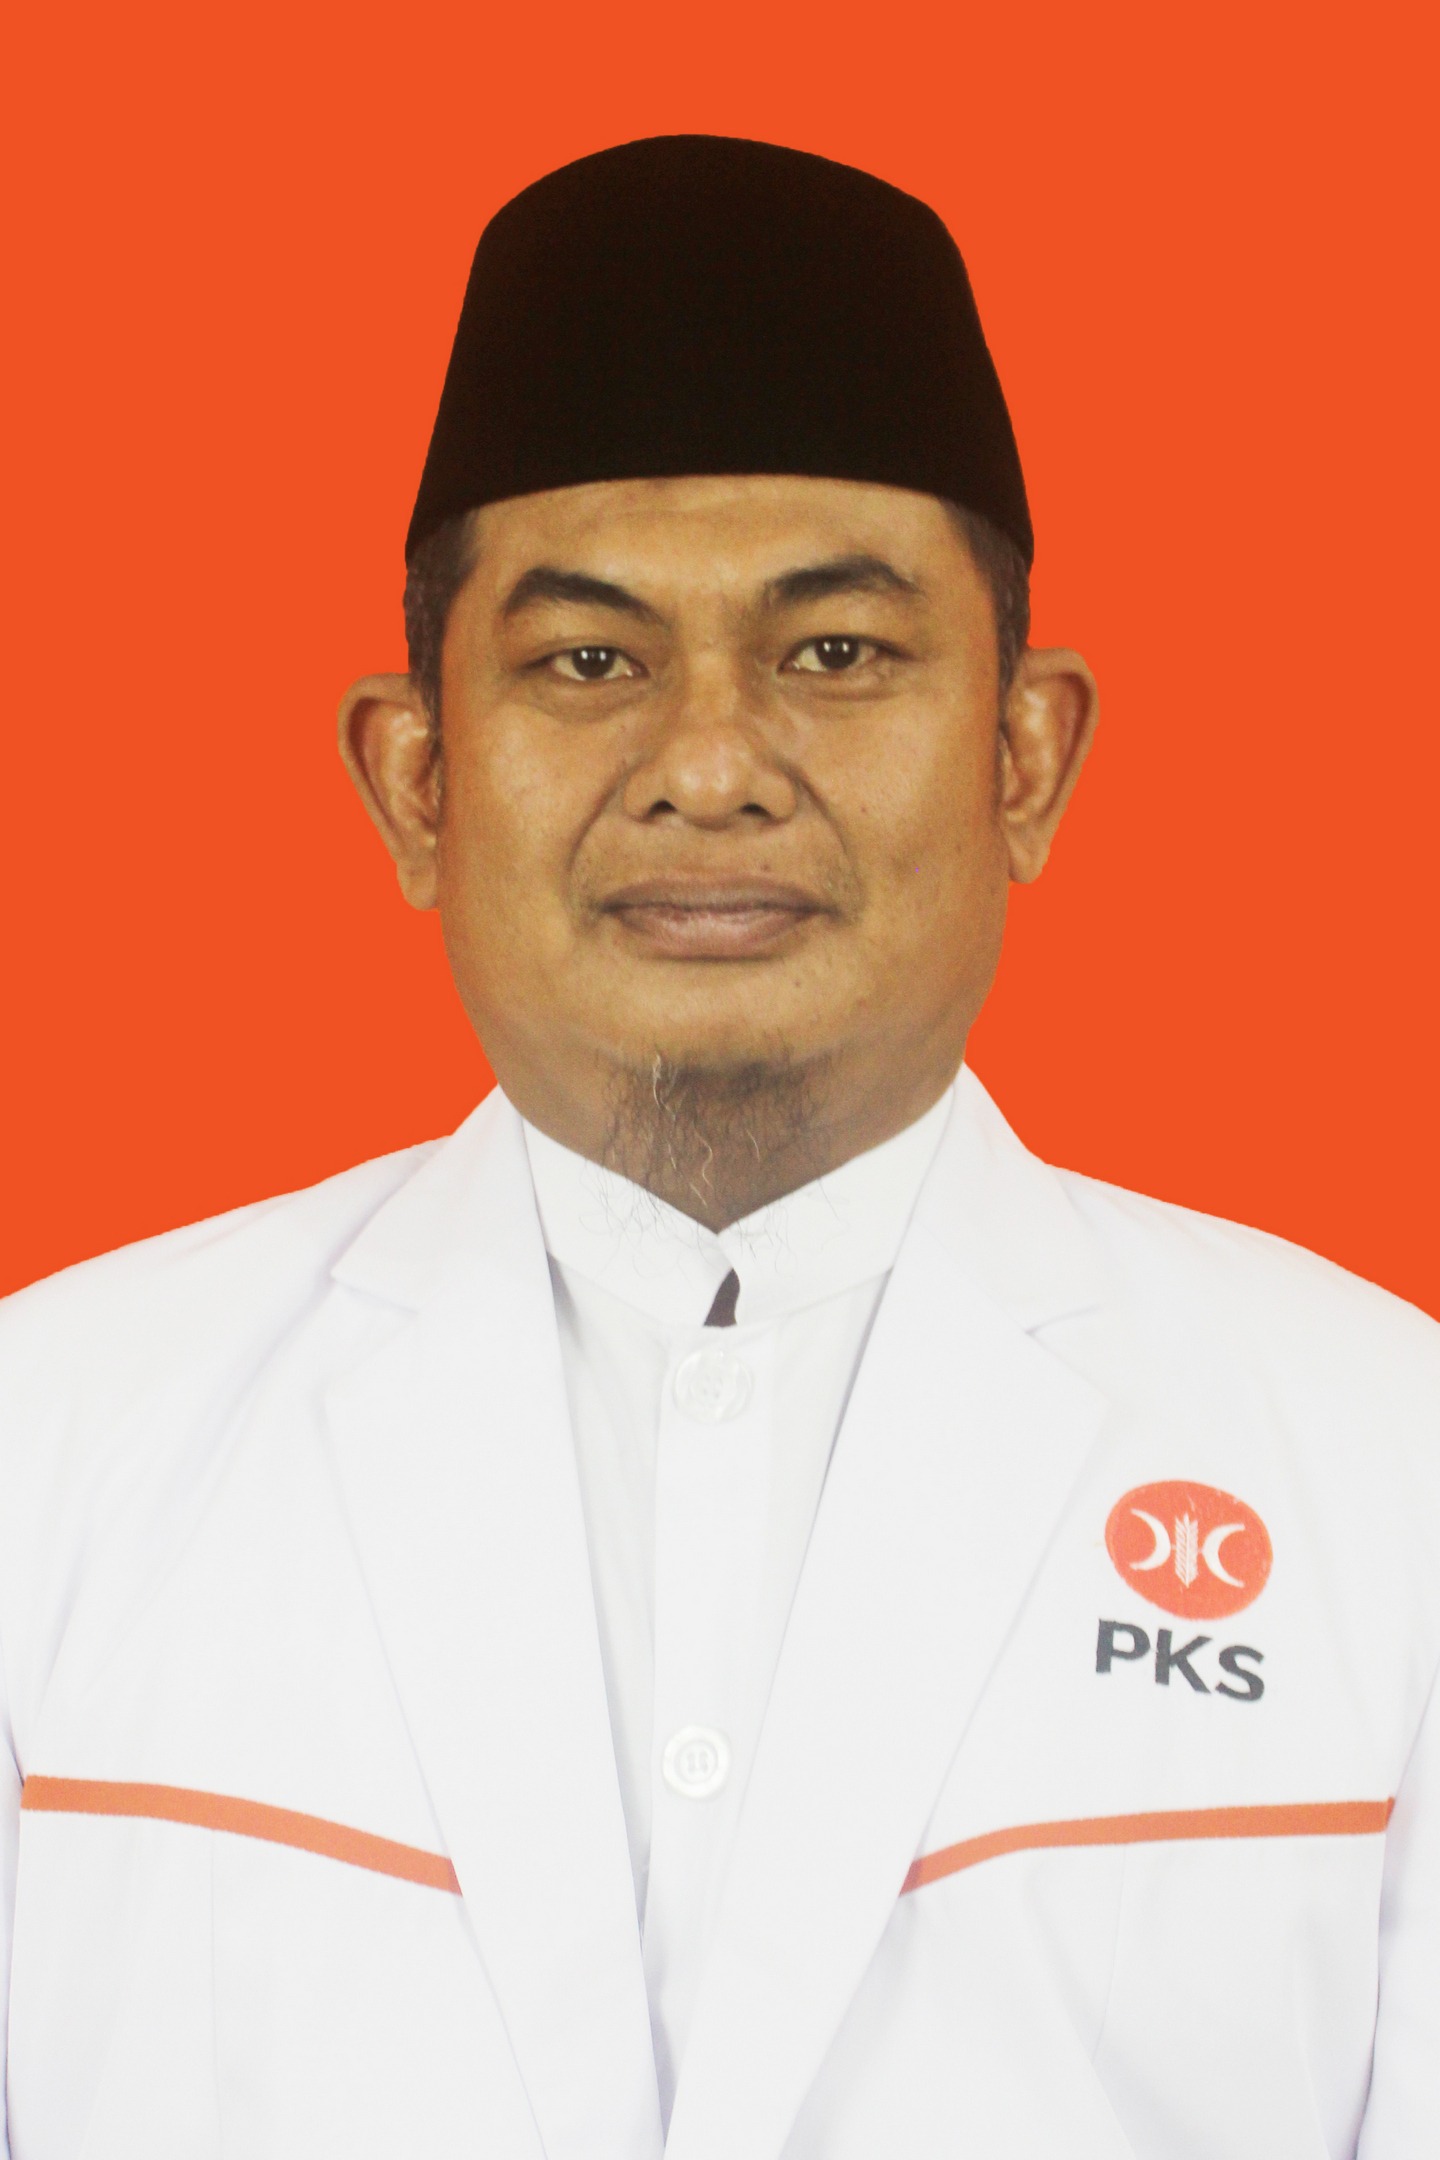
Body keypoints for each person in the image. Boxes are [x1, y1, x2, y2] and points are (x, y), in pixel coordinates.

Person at [0, 134, 1434, 2160]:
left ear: (1026, 754)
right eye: (588, 661)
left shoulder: (1387, 1470)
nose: (707, 765)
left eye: (835, 652)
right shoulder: (53, 1451)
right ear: (416, 780)